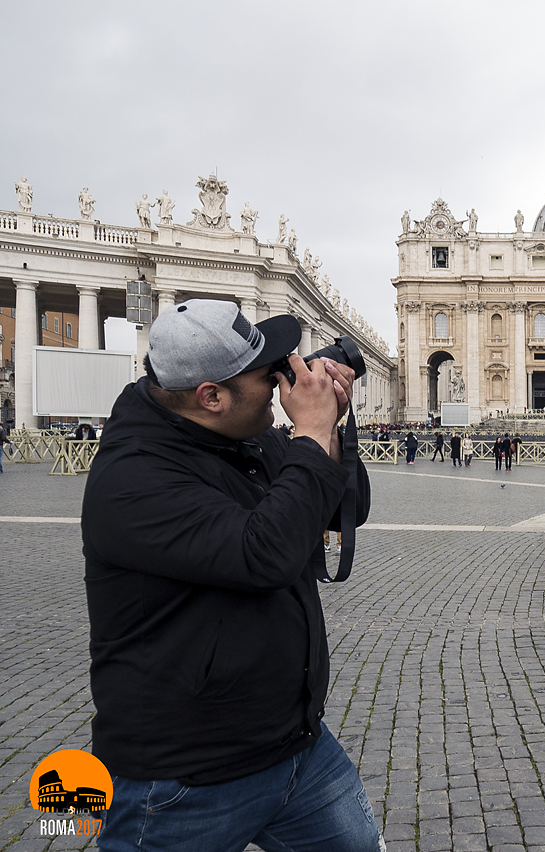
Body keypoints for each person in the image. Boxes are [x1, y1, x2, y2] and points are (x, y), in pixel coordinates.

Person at [82, 299, 381, 851]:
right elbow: (265, 555)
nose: (280, 380)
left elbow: (346, 509)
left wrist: (329, 429)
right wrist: (310, 432)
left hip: (294, 745)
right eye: (266, 372)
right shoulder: (131, 479)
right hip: (183, 780)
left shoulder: (246, 436)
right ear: (211, 396)